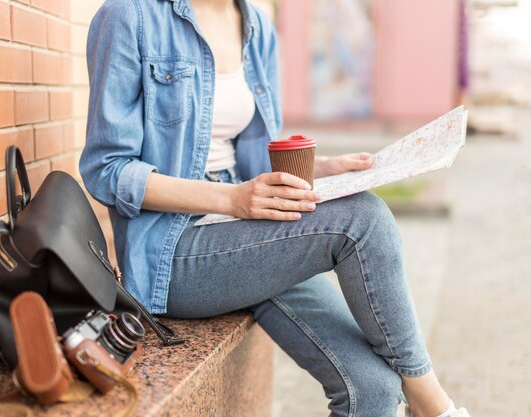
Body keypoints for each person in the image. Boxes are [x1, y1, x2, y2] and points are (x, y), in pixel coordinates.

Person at [80, 1, 472, 416]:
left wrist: (319, 170)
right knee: (363, 220)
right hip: (170, 251)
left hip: (243, 228)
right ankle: (431, 402)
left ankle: (418, 397)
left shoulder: (258, 27)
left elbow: (250, 164)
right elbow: (107, 170)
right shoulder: (130, 16)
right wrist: (231, 199)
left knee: (371, 387)